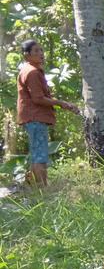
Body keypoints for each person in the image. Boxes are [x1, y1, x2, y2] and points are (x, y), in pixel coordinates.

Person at [16, 39, 79, 187]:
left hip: (32, 117)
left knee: (36, 153)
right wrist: (61, 103)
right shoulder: (31, 72)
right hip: (35, 117)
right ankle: (42, 189)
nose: (41, 54)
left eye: (41, 50)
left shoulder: (29, 70)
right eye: (36, 51)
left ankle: (35, 188)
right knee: (39, 155)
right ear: (27, 56)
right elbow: (38, 98)